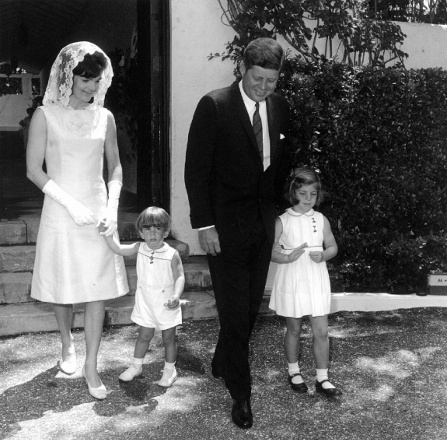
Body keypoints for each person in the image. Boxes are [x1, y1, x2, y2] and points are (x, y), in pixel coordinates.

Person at [184, 37, 291, 429]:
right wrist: (204, 224)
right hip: (223, 227)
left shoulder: (279, 107)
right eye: (258, 78)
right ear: (242, 69)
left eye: (271, 81)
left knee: (248, 309)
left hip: (261, 223)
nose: (264, 88)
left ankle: (222, 356)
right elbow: (195, 171)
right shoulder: (215, 105)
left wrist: (278, 212)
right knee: (233, 309)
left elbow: (281, 163)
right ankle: (241, 394)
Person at [26, 42, 129, 400]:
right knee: (64, 282)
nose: (90, 88)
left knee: (97, 289)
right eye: (84, 80)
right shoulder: (45, 115)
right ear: (68, 76)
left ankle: (91, 365)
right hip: (61, 208)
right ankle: (67, 342)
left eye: (95, 81)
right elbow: (32, 170)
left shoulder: (105, 117)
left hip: (98, 210)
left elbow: (114, 166)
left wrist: (112, 205)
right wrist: (70, 205)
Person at [269, 167, 342, 397]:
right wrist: (287, 257)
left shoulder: (321, 219)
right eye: (303, 194)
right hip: (293, 277)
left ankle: (323, 377)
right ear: (294, 193)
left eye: (312, 194)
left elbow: (332, 246)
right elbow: (271, 252)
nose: (308, 199)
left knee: (321, 331)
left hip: (315, 277)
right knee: (294, 328)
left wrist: (324, 254)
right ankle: (294, 371)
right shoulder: (282, 220)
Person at [99, 206, 185, 387]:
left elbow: (179, 276)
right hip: (145, 302)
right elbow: (119, 248)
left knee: (169, 338)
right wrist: (107, 233)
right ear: (141, 231)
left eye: (158, 228)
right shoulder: (140, 248)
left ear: (166, 231)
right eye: (147, 228)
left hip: (166, 303)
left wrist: (176, 295)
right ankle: (136, 366)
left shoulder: (171, 254)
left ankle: (170, 370)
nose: (152, 233)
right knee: (144, 336)